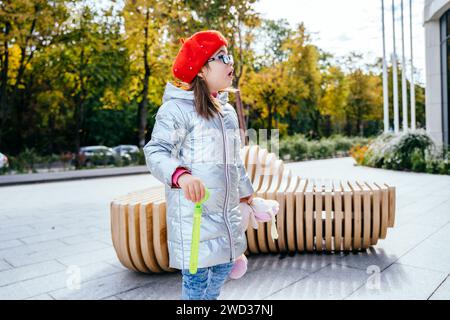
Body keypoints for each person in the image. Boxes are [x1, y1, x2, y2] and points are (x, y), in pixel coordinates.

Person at [143, 30, 254, 300]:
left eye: (230, 56)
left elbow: (233, 159)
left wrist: (245, 189)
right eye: (222, 57)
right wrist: (181, 176)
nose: (231, 63)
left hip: (226, 214)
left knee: (226, 263)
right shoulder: (176, 110)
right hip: (196, 216)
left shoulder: (225, 111)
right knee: (197, 280)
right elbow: (156, 151)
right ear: (201, 69)